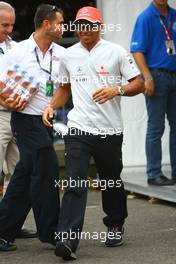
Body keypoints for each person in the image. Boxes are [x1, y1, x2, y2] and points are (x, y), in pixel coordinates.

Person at [43, 6, 145, 261]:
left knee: (111, 181)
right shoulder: (68, 55)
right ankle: (67, 238)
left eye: (89, 25)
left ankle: (114, 224)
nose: (84, 30)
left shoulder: (116, 52)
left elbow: (139, 83)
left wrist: (117, 90)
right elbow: (65, 89)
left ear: (99, 27)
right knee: (75, 182)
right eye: (79, 25)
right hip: (79, 129)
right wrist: (51, 106)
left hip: (110, 130)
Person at [0, 4, 65, 251]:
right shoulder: (18, 52)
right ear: (46, 24)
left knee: (24, 177)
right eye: (60, 22)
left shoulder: (61, 53)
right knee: (47, 168)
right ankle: (52, 232)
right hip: (24, 120)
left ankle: (3, 230)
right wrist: (5, 100)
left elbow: (63, 87)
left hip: (45, 120)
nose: (64, 27)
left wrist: (54, 105)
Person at [0, 1, 37, 240]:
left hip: (18, 116)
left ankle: (10, 224)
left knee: (20, 171)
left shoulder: (15, 47)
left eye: (11, 25)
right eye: (4, 25)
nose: (9, 30)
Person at [130, 0, 176, 186]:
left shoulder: (173, 15)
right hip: (156, 76)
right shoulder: (146, 18)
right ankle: (154, 173)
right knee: (156, 127)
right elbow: (137, 50)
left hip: (174, 75)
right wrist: (147, 77)